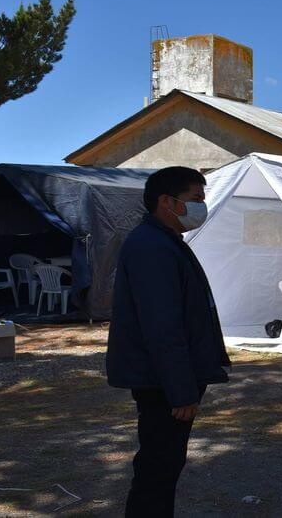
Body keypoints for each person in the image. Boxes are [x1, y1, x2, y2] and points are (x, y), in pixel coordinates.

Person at [106, 166, 231, 516]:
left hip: (164, 378)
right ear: (167, 201)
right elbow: (162, 325)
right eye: (195, 200)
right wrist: (181, 390)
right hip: (162, 383)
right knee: (158, 468)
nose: (201, 208)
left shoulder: (163, 240)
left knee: (163, 465)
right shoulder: (151, 246)